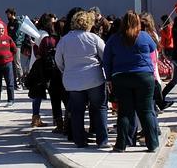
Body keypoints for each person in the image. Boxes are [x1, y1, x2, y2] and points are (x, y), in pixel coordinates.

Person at [103, 11, 159, 153]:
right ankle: (152, 143)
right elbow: (154, 48)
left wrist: (109, 78)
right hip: (144, 77)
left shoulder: (114, 39)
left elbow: (106, 60)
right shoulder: (144, 36)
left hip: (121, 77)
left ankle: (121, 145)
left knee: (124, 112)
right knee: (146, 111)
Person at [55, 10, 108, 149]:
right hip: (94, 79)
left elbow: (58, 60)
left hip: (73, 81)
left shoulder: (64, 40)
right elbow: (105, 56)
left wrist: (66, 70)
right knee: (99, 108)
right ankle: (102, 140)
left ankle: (79, 140)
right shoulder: (94, 38)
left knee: (77, 111)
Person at [26, 15, 58, 127]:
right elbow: (40, 52)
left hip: (35, 66)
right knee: (53, 94)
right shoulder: (45, 35)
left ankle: (35, 118)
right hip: (43, 67)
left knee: (37, 95)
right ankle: (56, 118)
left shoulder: (37, 32)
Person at [0, 22, 17, 107]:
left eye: (3, 29)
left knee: (9, 82)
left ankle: (11, 100)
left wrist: (9, 57)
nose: (2, 31)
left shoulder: (8, 38)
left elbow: (14, 49)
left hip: (7, 64)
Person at [5, 8, 25, 90]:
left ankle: (21, 81)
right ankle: (14, 81)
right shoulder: (10, 23)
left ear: (12, 13)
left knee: (17, 63)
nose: (7, 16)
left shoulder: (18, 22)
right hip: (10, 44)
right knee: (12, 63)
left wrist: (10, 36)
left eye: (8, 14)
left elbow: (16, 34)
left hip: (16, 45)